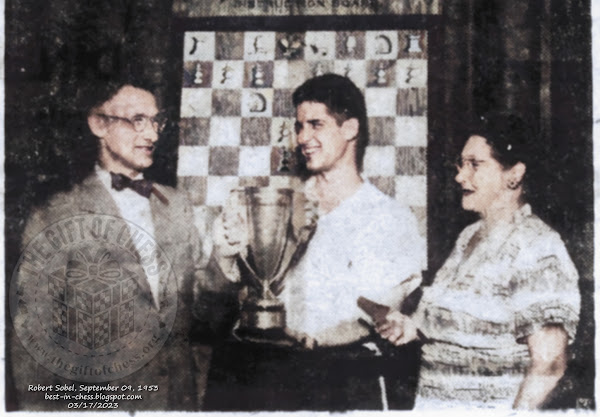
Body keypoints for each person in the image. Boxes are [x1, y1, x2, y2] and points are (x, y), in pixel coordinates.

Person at [204, 73, 426, 410]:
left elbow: (376, 313)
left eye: (316, 124)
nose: (303, 138)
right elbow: (231, 298)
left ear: (350, 129)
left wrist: (312, 341)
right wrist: (225, 256)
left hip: (346, 381)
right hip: (265, 376)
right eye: (299, 126)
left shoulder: (389, 218)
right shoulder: (274, 206)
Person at [9, 81, 205, 411]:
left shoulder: (178, 205)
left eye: (156, 122)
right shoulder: (55, 214)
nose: (153, 135)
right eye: (137, 120)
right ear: (99, 124)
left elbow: (206, 316)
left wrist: (226, 262)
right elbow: (32, 340)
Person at [377, 115, 581, 410]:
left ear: (514, 174)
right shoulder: (468, 236)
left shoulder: (538, 246)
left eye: (475, 164)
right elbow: (457, 327)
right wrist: (409, 327)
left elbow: (549, 363)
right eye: (461, 165)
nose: (460, 176)